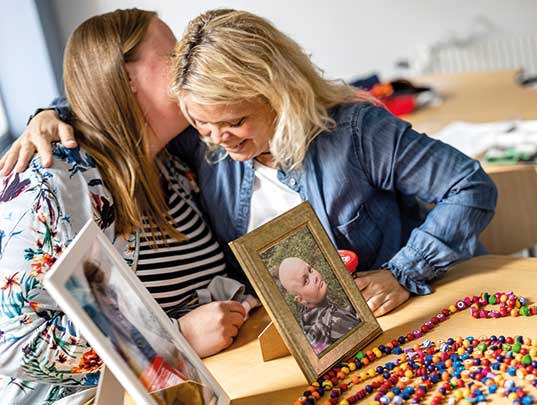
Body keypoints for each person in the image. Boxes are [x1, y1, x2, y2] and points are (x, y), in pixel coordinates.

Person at [3, 9, 497, 318]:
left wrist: (402, 272)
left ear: (277, 93)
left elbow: (470, 186)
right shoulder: (199, 143)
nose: (219, 138)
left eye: (236, 121)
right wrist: (50, 114)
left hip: (409, 313)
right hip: (300, 337)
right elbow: (108, 106)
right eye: (202, 123)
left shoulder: (355, 132)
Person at [0, 9, 253, 404]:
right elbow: (13, 345)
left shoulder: (173, 165)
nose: (190, 63)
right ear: (125, 78)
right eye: (174, 54)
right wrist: (173, 340)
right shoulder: (50, 181)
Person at [275, 257, 360, 354]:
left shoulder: (309, 315)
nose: (314, 277)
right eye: (306, 281)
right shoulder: (336, 321)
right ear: (301, 299)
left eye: (310, 270)